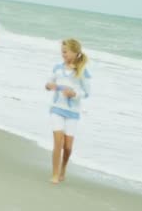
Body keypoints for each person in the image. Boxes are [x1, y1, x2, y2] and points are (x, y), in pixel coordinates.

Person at [45, 38, 91, 183]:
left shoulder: (82, 71)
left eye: (65, 51)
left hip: (72, 113)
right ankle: (55, 174)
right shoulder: (57, 68)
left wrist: (74, 94)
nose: (63, 54)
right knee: (58, 142)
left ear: (75, 52)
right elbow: (48, 83)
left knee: (68, 147)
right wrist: (49, 85)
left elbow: (86, 92)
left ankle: (63, 168)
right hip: (56, 109)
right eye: (62, 51)